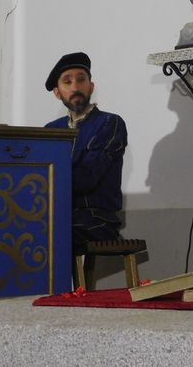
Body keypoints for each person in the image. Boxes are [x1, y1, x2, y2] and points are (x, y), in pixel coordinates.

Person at [44, 52, 127, 253]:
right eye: (67, 81)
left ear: (91, 86)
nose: (75, 87)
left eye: (81, 79)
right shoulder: (50, 130)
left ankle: (68, 287)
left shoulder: (110, 123)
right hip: (59, 215)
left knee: (47, 233)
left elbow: (86, 178)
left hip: (96, 220)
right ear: (57, 93)